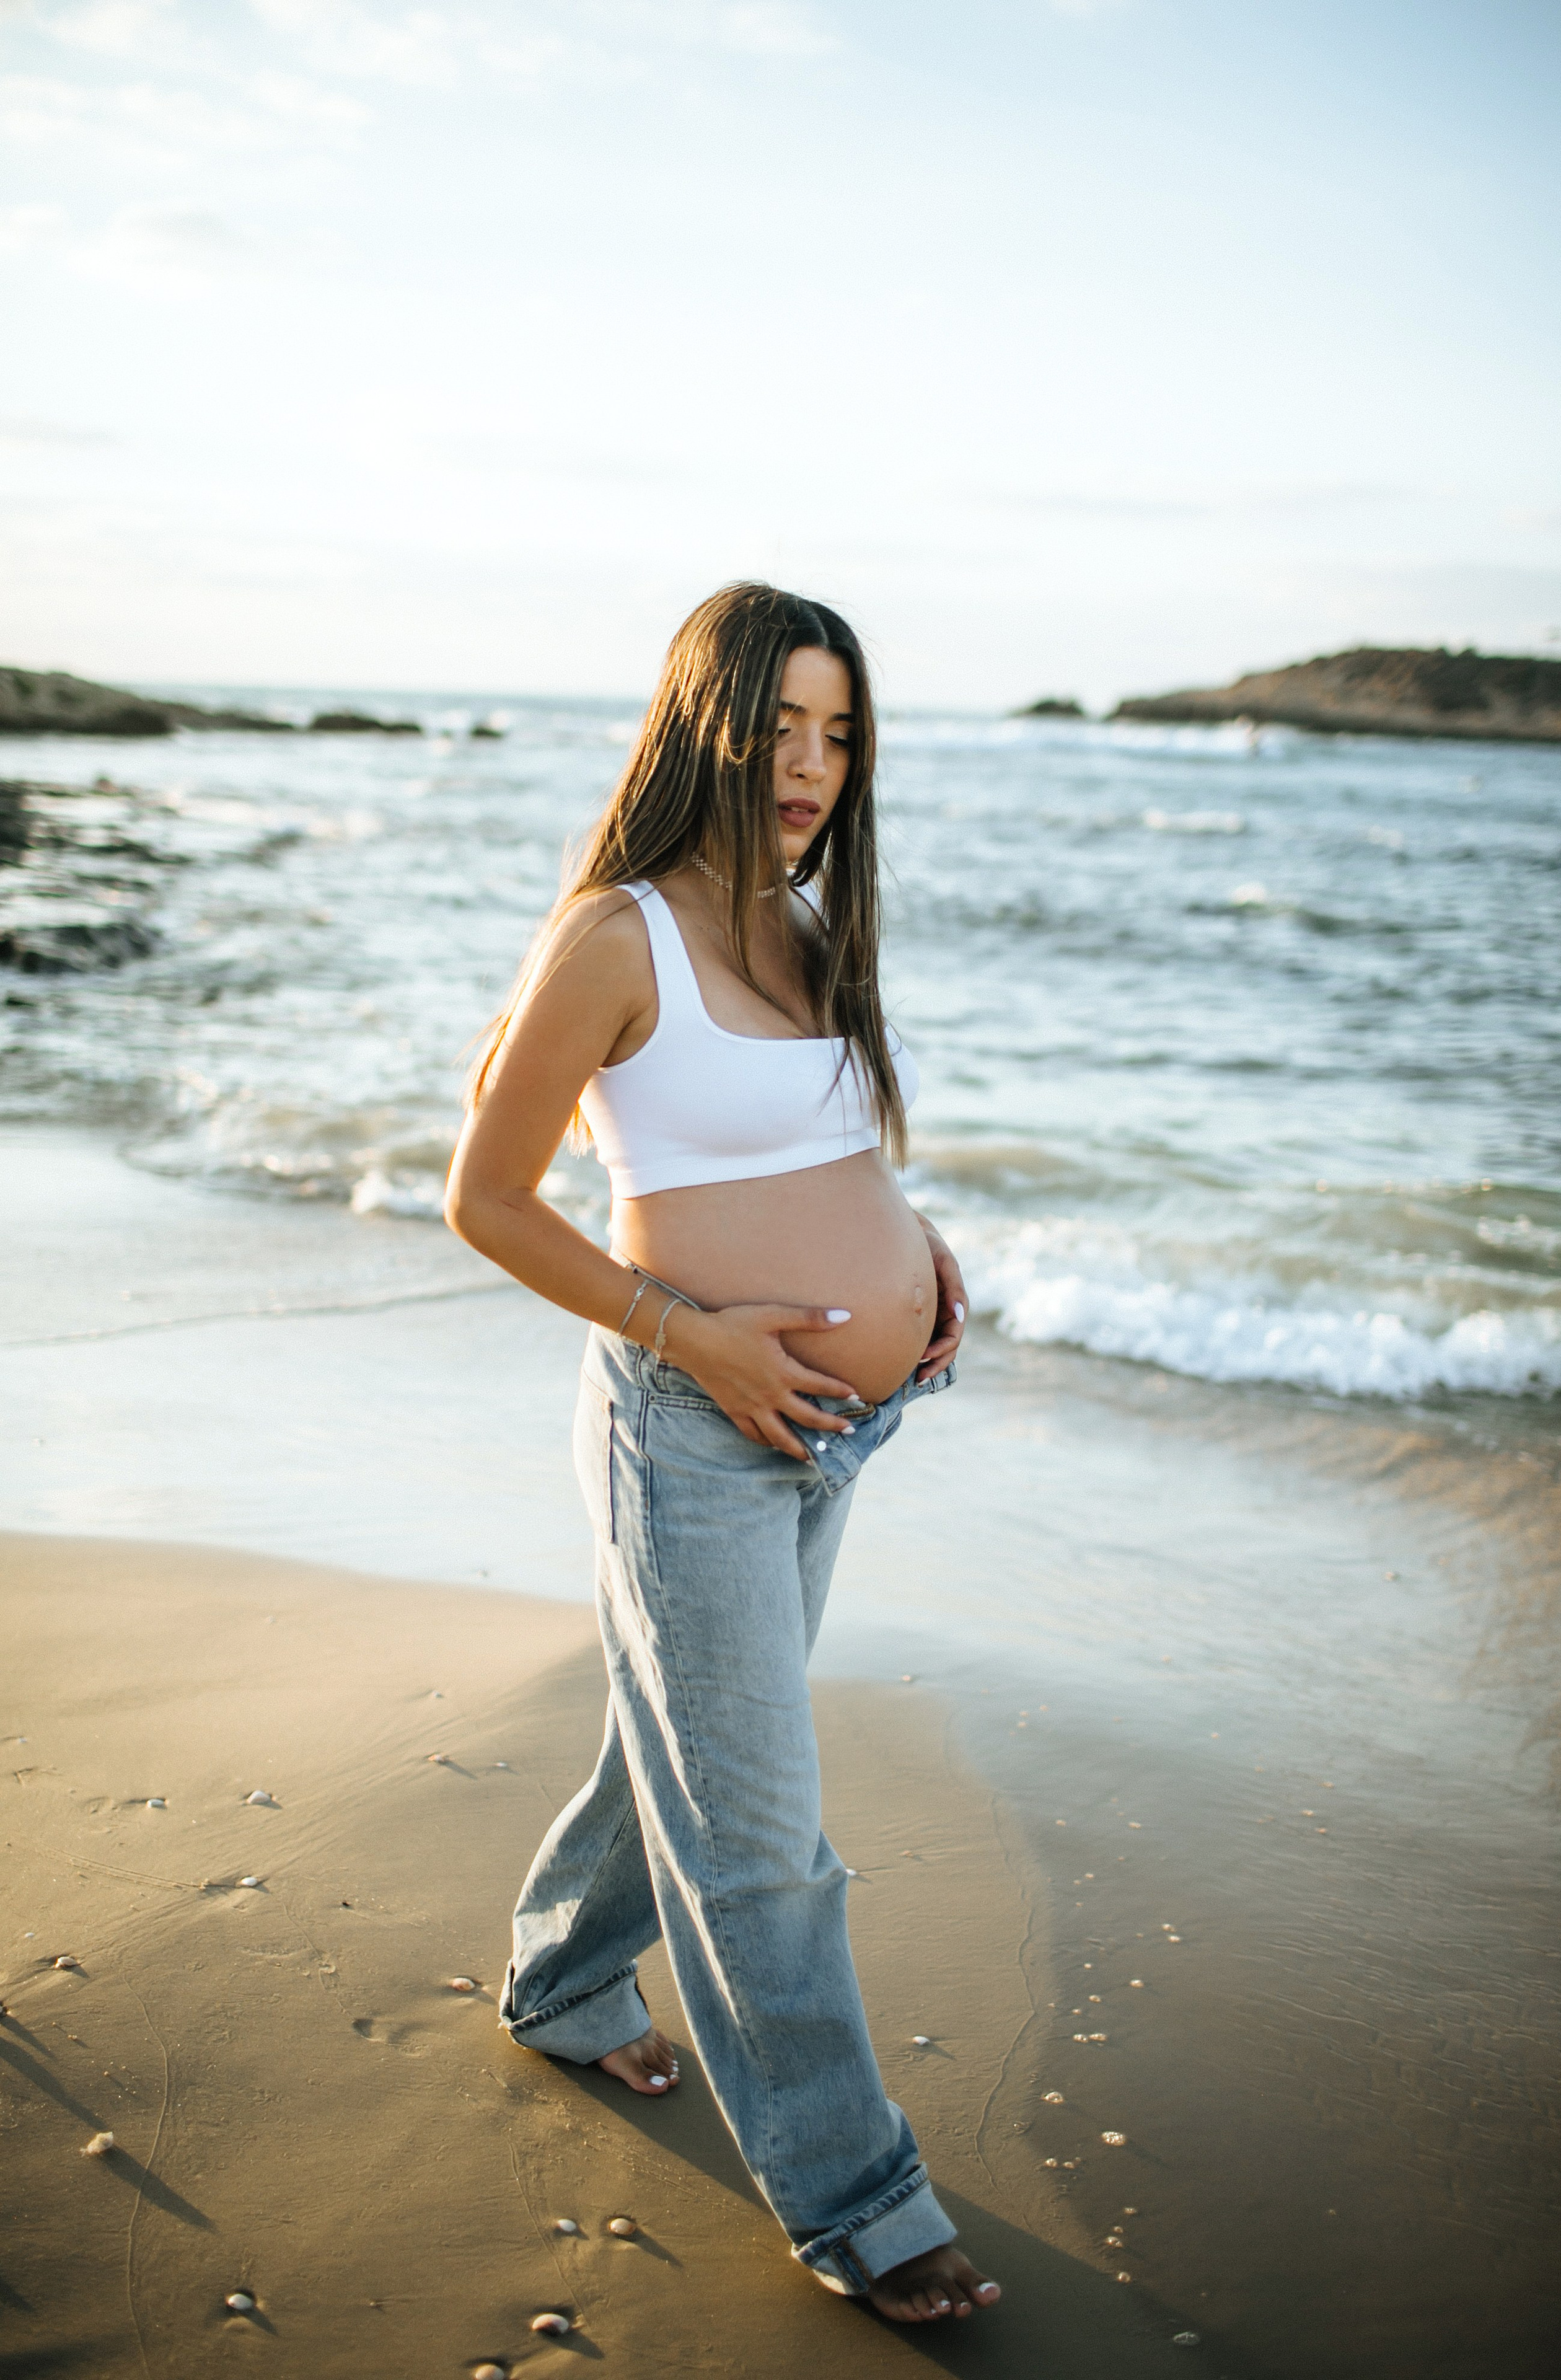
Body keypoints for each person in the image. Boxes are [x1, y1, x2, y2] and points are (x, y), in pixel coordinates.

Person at [444, 581, 998, 2324]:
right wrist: (692, 1333)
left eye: (841, 734)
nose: (813, 766)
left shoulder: (820, 927)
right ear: (708, 726)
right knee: (759, 1831)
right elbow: (488, 1199)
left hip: (836, 1427)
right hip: (693, 1428)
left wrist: (917, 1270)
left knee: (682, 1745)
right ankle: (859, 2197)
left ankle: (560, 1980)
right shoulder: (620, 936)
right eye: (780, 729)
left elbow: (816, 1156)